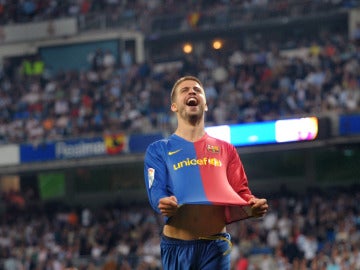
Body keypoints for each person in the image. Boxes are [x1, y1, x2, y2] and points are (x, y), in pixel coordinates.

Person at [144, 75, 268, 270]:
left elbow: (241, 192)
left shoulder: (226, 149)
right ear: (174, 106)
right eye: (185, 90)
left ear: (206, 105)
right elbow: (155, 189)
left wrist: (253, 205)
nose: (192, 91)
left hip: (215, 247)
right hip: (177, 247)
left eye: (197, 90)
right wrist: (162, 201)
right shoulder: (158, 149)